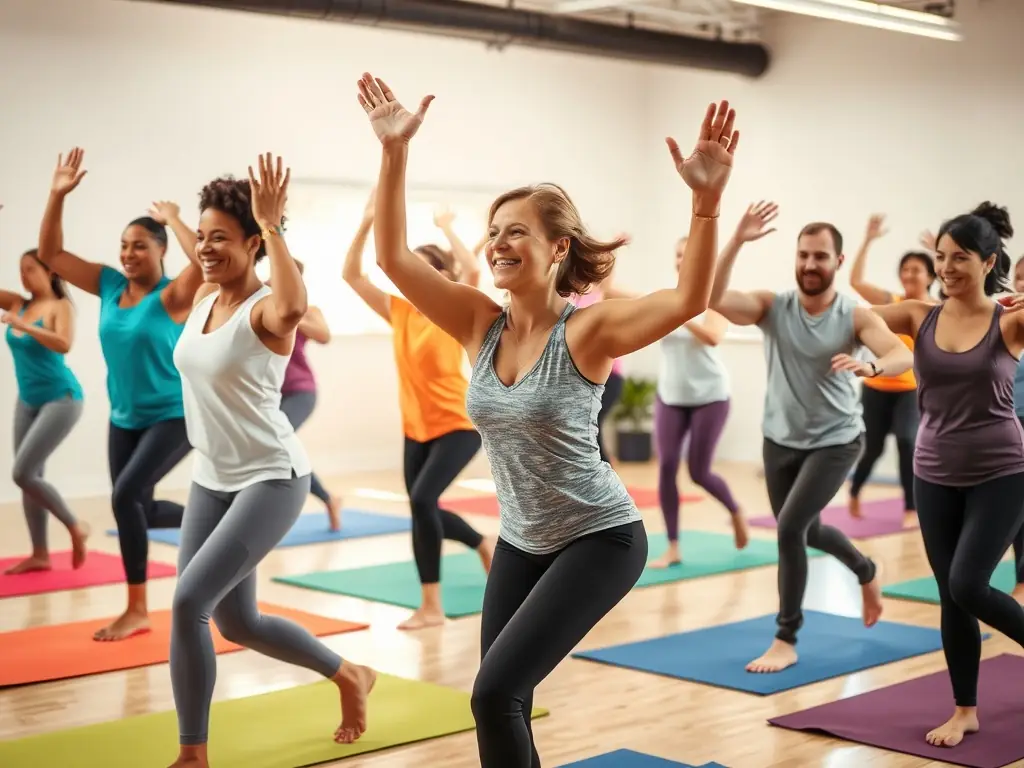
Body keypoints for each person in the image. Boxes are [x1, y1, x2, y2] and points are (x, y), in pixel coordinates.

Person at [357, 70, 736, 766]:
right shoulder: (479, 322)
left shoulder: (588, 332)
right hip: (522, 540)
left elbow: (688, 298)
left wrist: (706, 206)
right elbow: (391, 257)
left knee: (491, 694)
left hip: (600, 538)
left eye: (517, 232)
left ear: (559, 248)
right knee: (505, 698)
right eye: (493, 232)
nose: (499, 243)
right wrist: (393, 152)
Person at [168, 155, 376, 768]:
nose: (206, 249)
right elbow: (194, 255)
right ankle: (349, 674)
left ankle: (193, 756)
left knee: (188, 603)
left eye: (220, 238)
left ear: (254, 243)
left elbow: (293, 302)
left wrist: (275, 226)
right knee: (239, 623)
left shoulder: (268, 309)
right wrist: (183, 227)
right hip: (212, 478)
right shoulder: (205, 294)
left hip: (271, 477)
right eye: (202, 238)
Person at [708, 207, 913, 674]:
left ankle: (786, 636)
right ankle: (866, 570)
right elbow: (713, 297)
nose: (809, 264)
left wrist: (873, 367)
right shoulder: (771, 306)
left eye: (820, 257)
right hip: (779, 438)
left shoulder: (853, 314)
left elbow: (899, 352)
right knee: (805, 529)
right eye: (803, 255)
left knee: (788, 529)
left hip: (837, 440)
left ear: (839, 262)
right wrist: (737, 239)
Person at [871, 202, 1024, 749]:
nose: (947, 267)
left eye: (960, 257)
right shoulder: (919, 315)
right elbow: (850, 314)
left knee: (968, 583)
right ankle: (965, 710)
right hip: (933, 472)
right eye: (941, 256)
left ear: (988, 262)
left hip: (1001, 472)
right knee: (951, 595)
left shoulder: (1010, 319)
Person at [35, 149, 203, 641]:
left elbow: (205, 259)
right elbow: (51, 255)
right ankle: (213, 515)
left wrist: (173, 218)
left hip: (173, 414)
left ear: (160, 251)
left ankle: (137, 610)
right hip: (125, 416)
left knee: (125, 495)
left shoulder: (173, 293)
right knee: (138, 508)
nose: (129, 254)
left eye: (140, 246)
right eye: (124, 246)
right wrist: (57, 195)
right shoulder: (109, 284)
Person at [343, 186, 495, 630]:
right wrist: (369, 219)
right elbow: (352, 275)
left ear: (442, 279)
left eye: (425, 274)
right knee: (420, 506)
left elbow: (469, 267)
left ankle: (431, 607)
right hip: (416, 427)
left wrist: (448, 228)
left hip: (458, 423)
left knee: (424, 499)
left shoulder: (455, 309)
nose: (414, 283)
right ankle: (481, 542)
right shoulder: (401, 311)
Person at [648, 229, 762, 568]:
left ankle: (735, 510)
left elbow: (712, 336)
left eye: (689, 255)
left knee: (699, 471)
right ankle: (672, 546)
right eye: (678, 257)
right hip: (670, 395)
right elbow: (620, 300)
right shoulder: (666, 298)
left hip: (710, 396)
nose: (683, 262)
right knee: (667, 465)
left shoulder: (717, 299)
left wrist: (681, 314)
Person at [1, 249, 89, 574]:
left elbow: (64, 344)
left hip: (61, 399)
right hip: (27, 401)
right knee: (30, 478)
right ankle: (40, 554)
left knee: (22, 473)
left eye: (30, 270)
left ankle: (74, 525)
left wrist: (24, 324)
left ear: (50, 271)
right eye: (20, 271)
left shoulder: (60, 306)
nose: (24, 277)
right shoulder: (16, 302)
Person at [847, 213, 937, 524]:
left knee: (907, 442)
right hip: (875, 387)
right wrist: (868, 240)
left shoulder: (937, 308)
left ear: (931, 275)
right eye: (906, 269)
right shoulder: (893, 301)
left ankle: (911, 508)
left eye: (917, 270)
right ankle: (855, 490)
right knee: (870, 448)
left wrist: (941, 250)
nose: (910, 274)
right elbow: (856, 281)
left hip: (910, 390)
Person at [272, 258, 345, 530]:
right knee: (277, 447)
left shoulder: (307, 309)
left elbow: (324, 336)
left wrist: (292, 313)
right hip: (269, 394)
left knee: (278, 441)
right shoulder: (260, 300)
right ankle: (329, 499)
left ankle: (325, 499)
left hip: (301, 390)